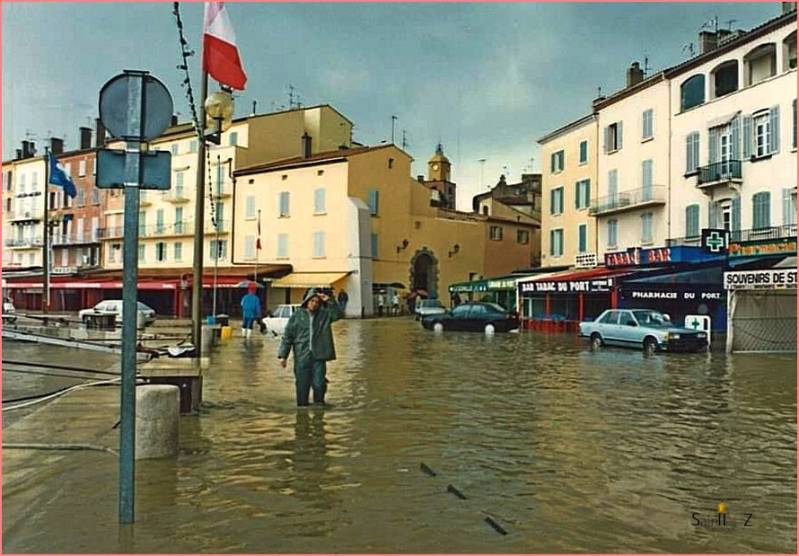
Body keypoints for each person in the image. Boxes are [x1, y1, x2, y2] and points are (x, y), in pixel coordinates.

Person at [278, 288, 343, 406]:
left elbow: (338, 315)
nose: (314, 304)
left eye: (317, 302)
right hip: (302, 357)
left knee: (319, 384)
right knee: (302, 387)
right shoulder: (297, 316)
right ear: (307, 301)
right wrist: (283, 356)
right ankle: (302, 413)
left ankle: (319, 408)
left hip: (319, 356)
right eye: (312, 301)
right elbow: (288, 336)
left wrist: (330, 300)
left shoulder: (324, 315)